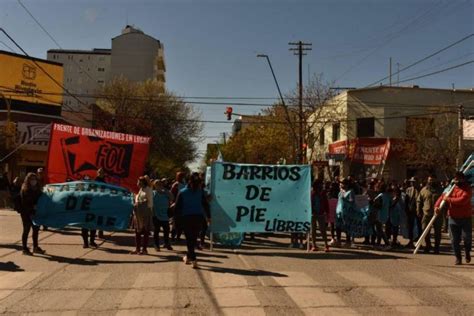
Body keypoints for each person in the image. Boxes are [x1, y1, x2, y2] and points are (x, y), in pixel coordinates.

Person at [174, 172, 211, 268]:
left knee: (189, 240)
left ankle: (193, 259)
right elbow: (205, 205)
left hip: (186, 218)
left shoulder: (182, 192)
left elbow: (177, 208)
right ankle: (188, 257)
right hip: (198, 218)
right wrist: (209, 217)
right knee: (193, 239)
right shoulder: (200, 192)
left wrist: (176, 221)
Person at [435, 172, 472, 265]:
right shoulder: (451, 188)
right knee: (454, 240)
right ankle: (458, 257)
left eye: (459, 179)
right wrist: (437, 206)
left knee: (467, 238)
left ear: (463, 179)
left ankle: (467, 252)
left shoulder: (467, 189)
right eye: (456, 179)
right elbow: (442, 196)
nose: (457, 181)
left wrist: (448, 199)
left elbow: (462, 201)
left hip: (465, 218)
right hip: (452, 218)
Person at [19, 173, 45, 255]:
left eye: (35, 179)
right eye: (31, 179)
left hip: (36, 213)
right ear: (28, 180)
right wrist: (32, 206)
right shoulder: (25, 189)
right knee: (26, 230)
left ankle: (35, 247)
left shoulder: (38, 189)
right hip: (26, 213)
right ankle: (24, 248)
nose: (33, 181)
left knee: (36, 230)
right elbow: (24, 202)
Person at [417, 175, 443, 254]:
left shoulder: (440, 190)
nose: (431, 181)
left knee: (437, 232)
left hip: (437, 214)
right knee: (425, 230)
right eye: (430, 180)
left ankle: (436, 247)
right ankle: (427, 245)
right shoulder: (424, 190)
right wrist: (418, 210)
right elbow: (419, 201)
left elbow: (444, 201)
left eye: (433, 180)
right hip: (426, 213)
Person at [132, 176, 154, 255]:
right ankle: (137, 248)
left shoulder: (148, 190)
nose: (137, 183)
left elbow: (150, 203)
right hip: (138, 213)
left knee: (145, 231)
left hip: (145, 213)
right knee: (137, 231)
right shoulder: (140, 190)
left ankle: (144, 249)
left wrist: (143, 207)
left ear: (142, 182)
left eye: (138, 181)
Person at [152, 179, 173, 251]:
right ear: (154, 186)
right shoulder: (153, 193)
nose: (159, 185)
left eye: (160, 184)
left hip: (165, 215)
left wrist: (165, 190)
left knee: (166, 231)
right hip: (156, 215)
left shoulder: (166, 193)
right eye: (157, 184)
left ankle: (167, 244)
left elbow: (172, 198)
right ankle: (156, 245)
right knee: (156, 231)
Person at [310, 179, 329, 252]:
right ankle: (314, 245)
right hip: (313, 214)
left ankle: (326, 245)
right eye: (320, 184)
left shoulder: (323, 193)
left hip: (321, 213)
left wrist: (327, 212)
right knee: (313, 230)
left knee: (323, 230)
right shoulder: (312, 193)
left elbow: (326, 202)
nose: (321, 186)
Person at [171, 172, 186, 242]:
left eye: (182, 176)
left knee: (182, 223)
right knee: (175, 222)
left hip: (183, 206)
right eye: (180, 176)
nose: (181, 178)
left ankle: (178, 237)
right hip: (176, 205)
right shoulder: (176, 185)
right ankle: (173, 237)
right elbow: (172, 194)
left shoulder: (185, 184)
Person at [404, 177, 419, 248]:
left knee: (418, 227)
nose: (412, 183)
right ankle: (411, 241)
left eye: (414, 182)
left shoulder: (419, 189)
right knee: (410, 226)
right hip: (410, 211)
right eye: (411, 182)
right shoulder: (408, 190)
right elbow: (406, 200)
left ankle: (419, 241)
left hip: (417, 210)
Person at [95, 168, 106, 239]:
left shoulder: (105, 182)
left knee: (101, 217)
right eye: (99, 172)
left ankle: (100, 232)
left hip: (102, 202)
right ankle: (94, 232)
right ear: (97, 173)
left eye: (101, 172)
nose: (100, 173)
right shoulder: (95, 181)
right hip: (96, 201)